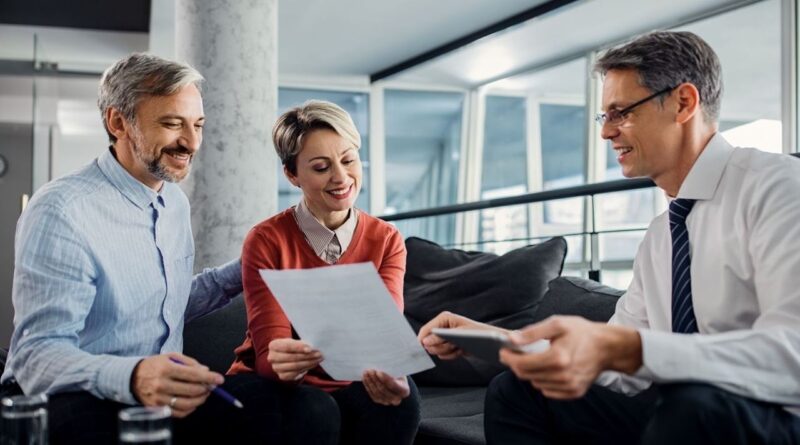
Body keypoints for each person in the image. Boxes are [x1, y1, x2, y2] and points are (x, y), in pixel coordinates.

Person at [418, 31, 800, 445]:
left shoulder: (778, 188)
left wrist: (634, 349)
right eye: (605, 117)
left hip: (772, 414)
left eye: (621, 112)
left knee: (696, 406)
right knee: (519, 391)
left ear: (683, 103)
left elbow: (792, 354)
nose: (606, 133)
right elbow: (620, 372)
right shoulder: (662, 236)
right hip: (683, 407)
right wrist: (501, 341)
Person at [0, 53, 297, 444]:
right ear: (118, 122)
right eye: (173, 124)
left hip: (162, 396)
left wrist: (248, 267)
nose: (191, 142)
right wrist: (135, 376)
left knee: (304, 410)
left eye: (198, 125)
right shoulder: (62, 211)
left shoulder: (173, 203)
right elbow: (36, 357)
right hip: (74, 398)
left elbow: (162, 303)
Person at [227, 100, 421, 445]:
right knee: (314, 411)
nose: (342, 178)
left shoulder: (387, 239)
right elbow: (270, 355)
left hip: (350, 376)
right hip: (269, 380)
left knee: (402, 402)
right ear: (291, 174)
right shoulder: (266, 239)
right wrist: (288, 365)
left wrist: (393, 369)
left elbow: (384, 338)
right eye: (320, 167)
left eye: (348, 160)